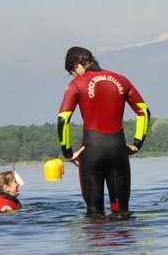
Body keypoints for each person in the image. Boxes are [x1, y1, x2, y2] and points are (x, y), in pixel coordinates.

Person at [57, 45, 150, 218]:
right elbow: (144, 112)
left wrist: (68, 153)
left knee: (94, 214)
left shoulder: (77, 84)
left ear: (77, 65)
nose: (74, 75)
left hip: (92, 151)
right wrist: (137, 144)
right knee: (122, 212)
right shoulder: (122, 80)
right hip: (118, 151)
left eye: (72, 72)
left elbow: (63, 119)